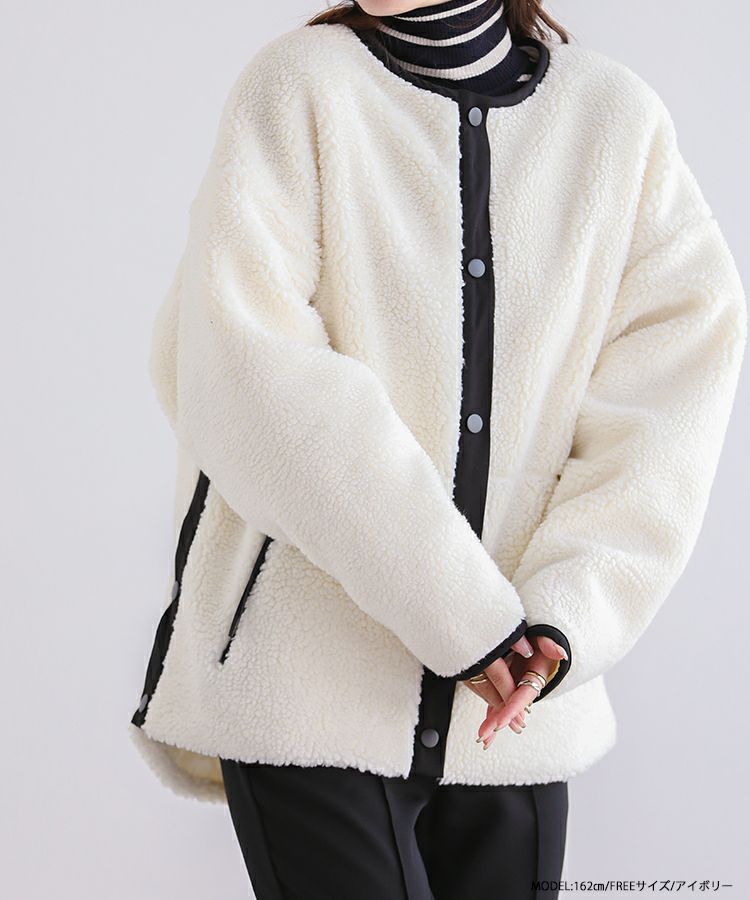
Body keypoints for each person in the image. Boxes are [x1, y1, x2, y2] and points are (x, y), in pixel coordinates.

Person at [127, 2, 747, 898]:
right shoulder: (300, 86)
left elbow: (671, 398)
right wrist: (458, 610)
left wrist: (569, 612)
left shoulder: (616, 122)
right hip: (308, 696)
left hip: (516, 704)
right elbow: (242, 373)